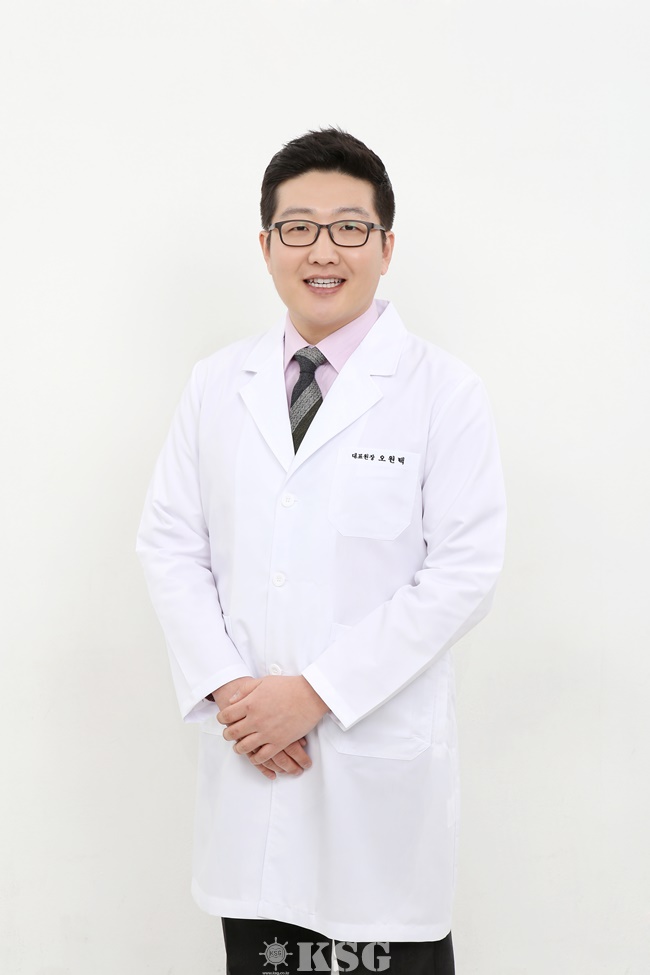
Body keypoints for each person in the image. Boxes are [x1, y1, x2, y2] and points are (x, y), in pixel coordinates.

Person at [136, 127, 506, 975]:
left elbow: (463, 572)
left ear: (386, 247)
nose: (323, 250)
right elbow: (171, 542)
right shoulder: (216, 384)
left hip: (376, 773)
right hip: (253, 763)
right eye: (298, 228)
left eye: (349, 227)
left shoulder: (443, 392)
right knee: (266, 954)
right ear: (267, 245)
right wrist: (235, 693)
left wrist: (315, 694)